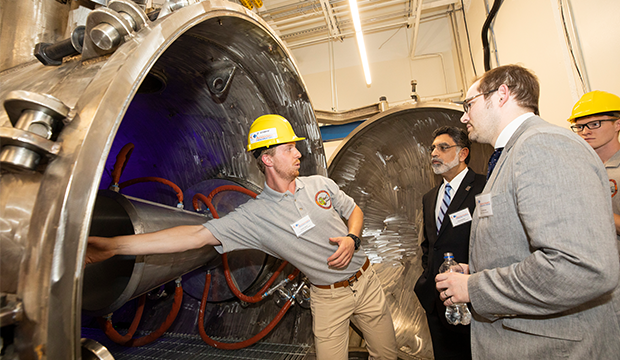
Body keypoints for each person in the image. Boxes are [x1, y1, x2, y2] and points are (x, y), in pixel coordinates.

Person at [86, 114, 398, 360]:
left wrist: (352, 239)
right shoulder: (255, 216)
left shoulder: (319, 185)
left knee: (386, 354)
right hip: (329, 297)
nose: (298, 153)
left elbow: (354, 210)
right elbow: (195, 235)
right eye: (289, 148)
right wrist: (115, 246)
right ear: (267, 158)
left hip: (367, 282)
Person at [434, 64, 620, 359]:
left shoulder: (542, 146)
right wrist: (479, 269)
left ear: (502, 94)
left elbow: (580, 267)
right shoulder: (511, 154)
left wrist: (475, 287)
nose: (464, 116)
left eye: (469, 104)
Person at [414, 126, 485, 360]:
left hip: (472, 300)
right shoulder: (430, 197)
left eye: (443, 148)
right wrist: (427, 279)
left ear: (463, 153)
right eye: (433, 148)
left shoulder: (484, 188)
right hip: (436, 301)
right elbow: (430, 245)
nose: (435, 153)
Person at [568, 90, 620, 239]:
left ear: (617, 124)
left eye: (594, 124)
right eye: (580, 126)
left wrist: (591, 209)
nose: (585, 132)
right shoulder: (577, 169)